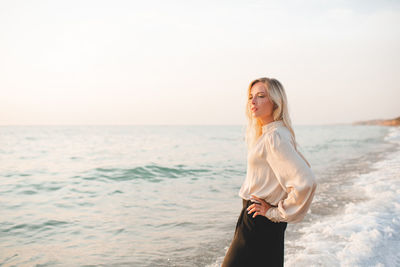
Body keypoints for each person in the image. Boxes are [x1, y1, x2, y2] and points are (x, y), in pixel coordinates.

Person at [221, 77, 317, 267]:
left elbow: (306, 182)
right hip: (260, 220)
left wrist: (274, 213)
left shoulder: (274, 137)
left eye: (260, 96)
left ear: (275, 102)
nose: (253, 102)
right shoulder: (273, 133)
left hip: (259, 222)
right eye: (250, 97)